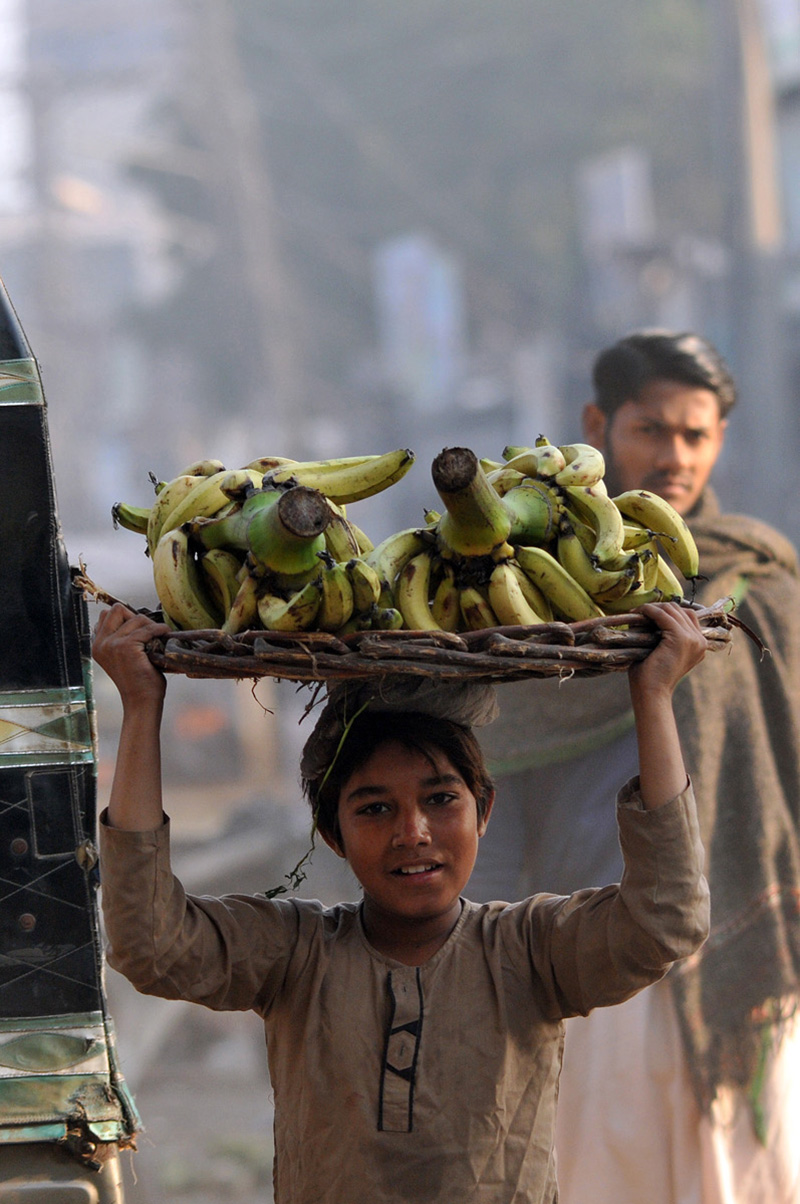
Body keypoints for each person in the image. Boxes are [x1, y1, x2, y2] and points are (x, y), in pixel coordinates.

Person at [93, 596, 708, 1204]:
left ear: (484, 811)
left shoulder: (530, 949)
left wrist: (652, 697)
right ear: (332, 834)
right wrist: (142, 706)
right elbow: (149, 941)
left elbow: (665, 919)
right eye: (375, 808)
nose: (412, 831)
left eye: (441, 799)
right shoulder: (296, 954)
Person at [471, 329, 800, 1204]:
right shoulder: (529, 592)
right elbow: (492, 774)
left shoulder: (758, 581)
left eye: (696, 435)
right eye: (652, 429)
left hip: (740, 950)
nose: (674, 455)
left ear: (720, 440)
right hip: (591, 941)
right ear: (598, 425)